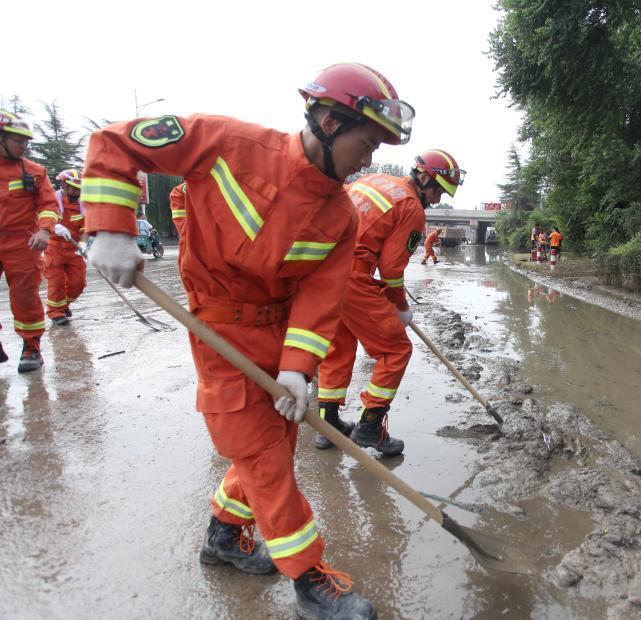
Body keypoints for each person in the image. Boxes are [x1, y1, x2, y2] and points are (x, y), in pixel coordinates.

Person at [83, 63, 414, 620]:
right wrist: (111, 226)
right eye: (367, 142)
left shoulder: (339, 216)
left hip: (278, 332)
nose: (369, 159)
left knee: (277, 441)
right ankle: (310, 580)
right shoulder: (227, 143)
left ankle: (222, 534)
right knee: (265, 455)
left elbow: (320, 297)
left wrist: (297, 367)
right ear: (330, 122)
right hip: (216, 328)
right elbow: (114, 142)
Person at [316, 150, 465, 455]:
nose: (437, 200)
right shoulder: (411, 206)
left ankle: (327, 425)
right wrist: (400, 308)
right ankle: (370, 426)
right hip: (352, 277)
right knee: (396, 350)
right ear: (424, 177)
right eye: (437, 191)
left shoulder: (374, 180)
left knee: (339, 346)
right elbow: (393, 270)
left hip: (323, 273)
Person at [0, 110, 58, 372]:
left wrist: (45, 230)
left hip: (23, 243)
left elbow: (48, 204)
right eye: (18, 140)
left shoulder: (34, 172)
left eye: (27, 141)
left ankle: (31, 346)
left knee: (25, 297)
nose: (24, 146)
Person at [45, 169, 87, 326]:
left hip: (73, 250)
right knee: (56, 283)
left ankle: (62, 306)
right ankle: (55, 313)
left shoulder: (83, 204)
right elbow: (42, 217)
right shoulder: (52, 201)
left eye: (79, 188)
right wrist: (54, 226)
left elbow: (86, 227)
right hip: (53, 248)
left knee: (78, 283)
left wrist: (82, 244)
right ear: (63, 184)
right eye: (74, 188)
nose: (77, 191)